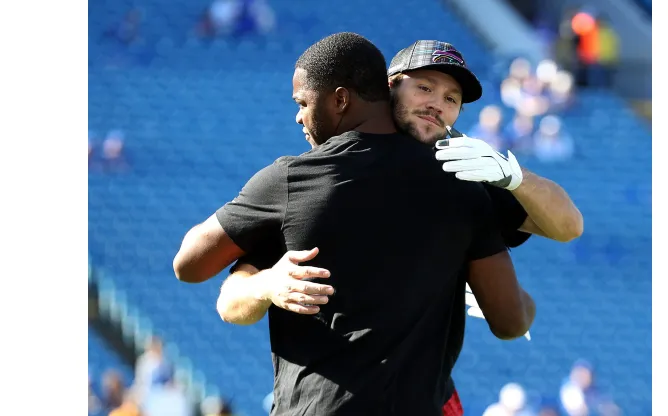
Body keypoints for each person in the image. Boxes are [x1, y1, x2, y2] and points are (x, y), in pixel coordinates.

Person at [175, 32, 535, 415]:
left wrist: (265, 283)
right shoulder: (462, 184)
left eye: (303, 102)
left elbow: (189, 264)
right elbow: (511, 320)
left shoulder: (293, 182)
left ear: (341, 99)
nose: (299, 115)